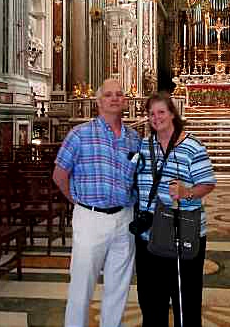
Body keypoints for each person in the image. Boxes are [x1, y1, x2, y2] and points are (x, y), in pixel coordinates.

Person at [53, 78, 141, 327]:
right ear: (99, 101)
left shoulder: (134, 139)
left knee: (118, 287)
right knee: (82, 285)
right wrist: (79, 202)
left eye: (119, 95)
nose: (115, 98)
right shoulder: (79, 134)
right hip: (91, 218)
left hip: (125, 218)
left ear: (125, 101)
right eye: (109, 95)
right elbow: (59, 175)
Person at [134, 92, 216, 327]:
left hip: (182, 232)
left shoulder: (192, 146)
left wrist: (187, 192)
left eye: (161, 112)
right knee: (151, 300)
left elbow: (208, 183)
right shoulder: (144, 145)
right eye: (151, 113)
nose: (156, 117)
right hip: (149, 234)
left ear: (172, 114)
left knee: (186, 300)